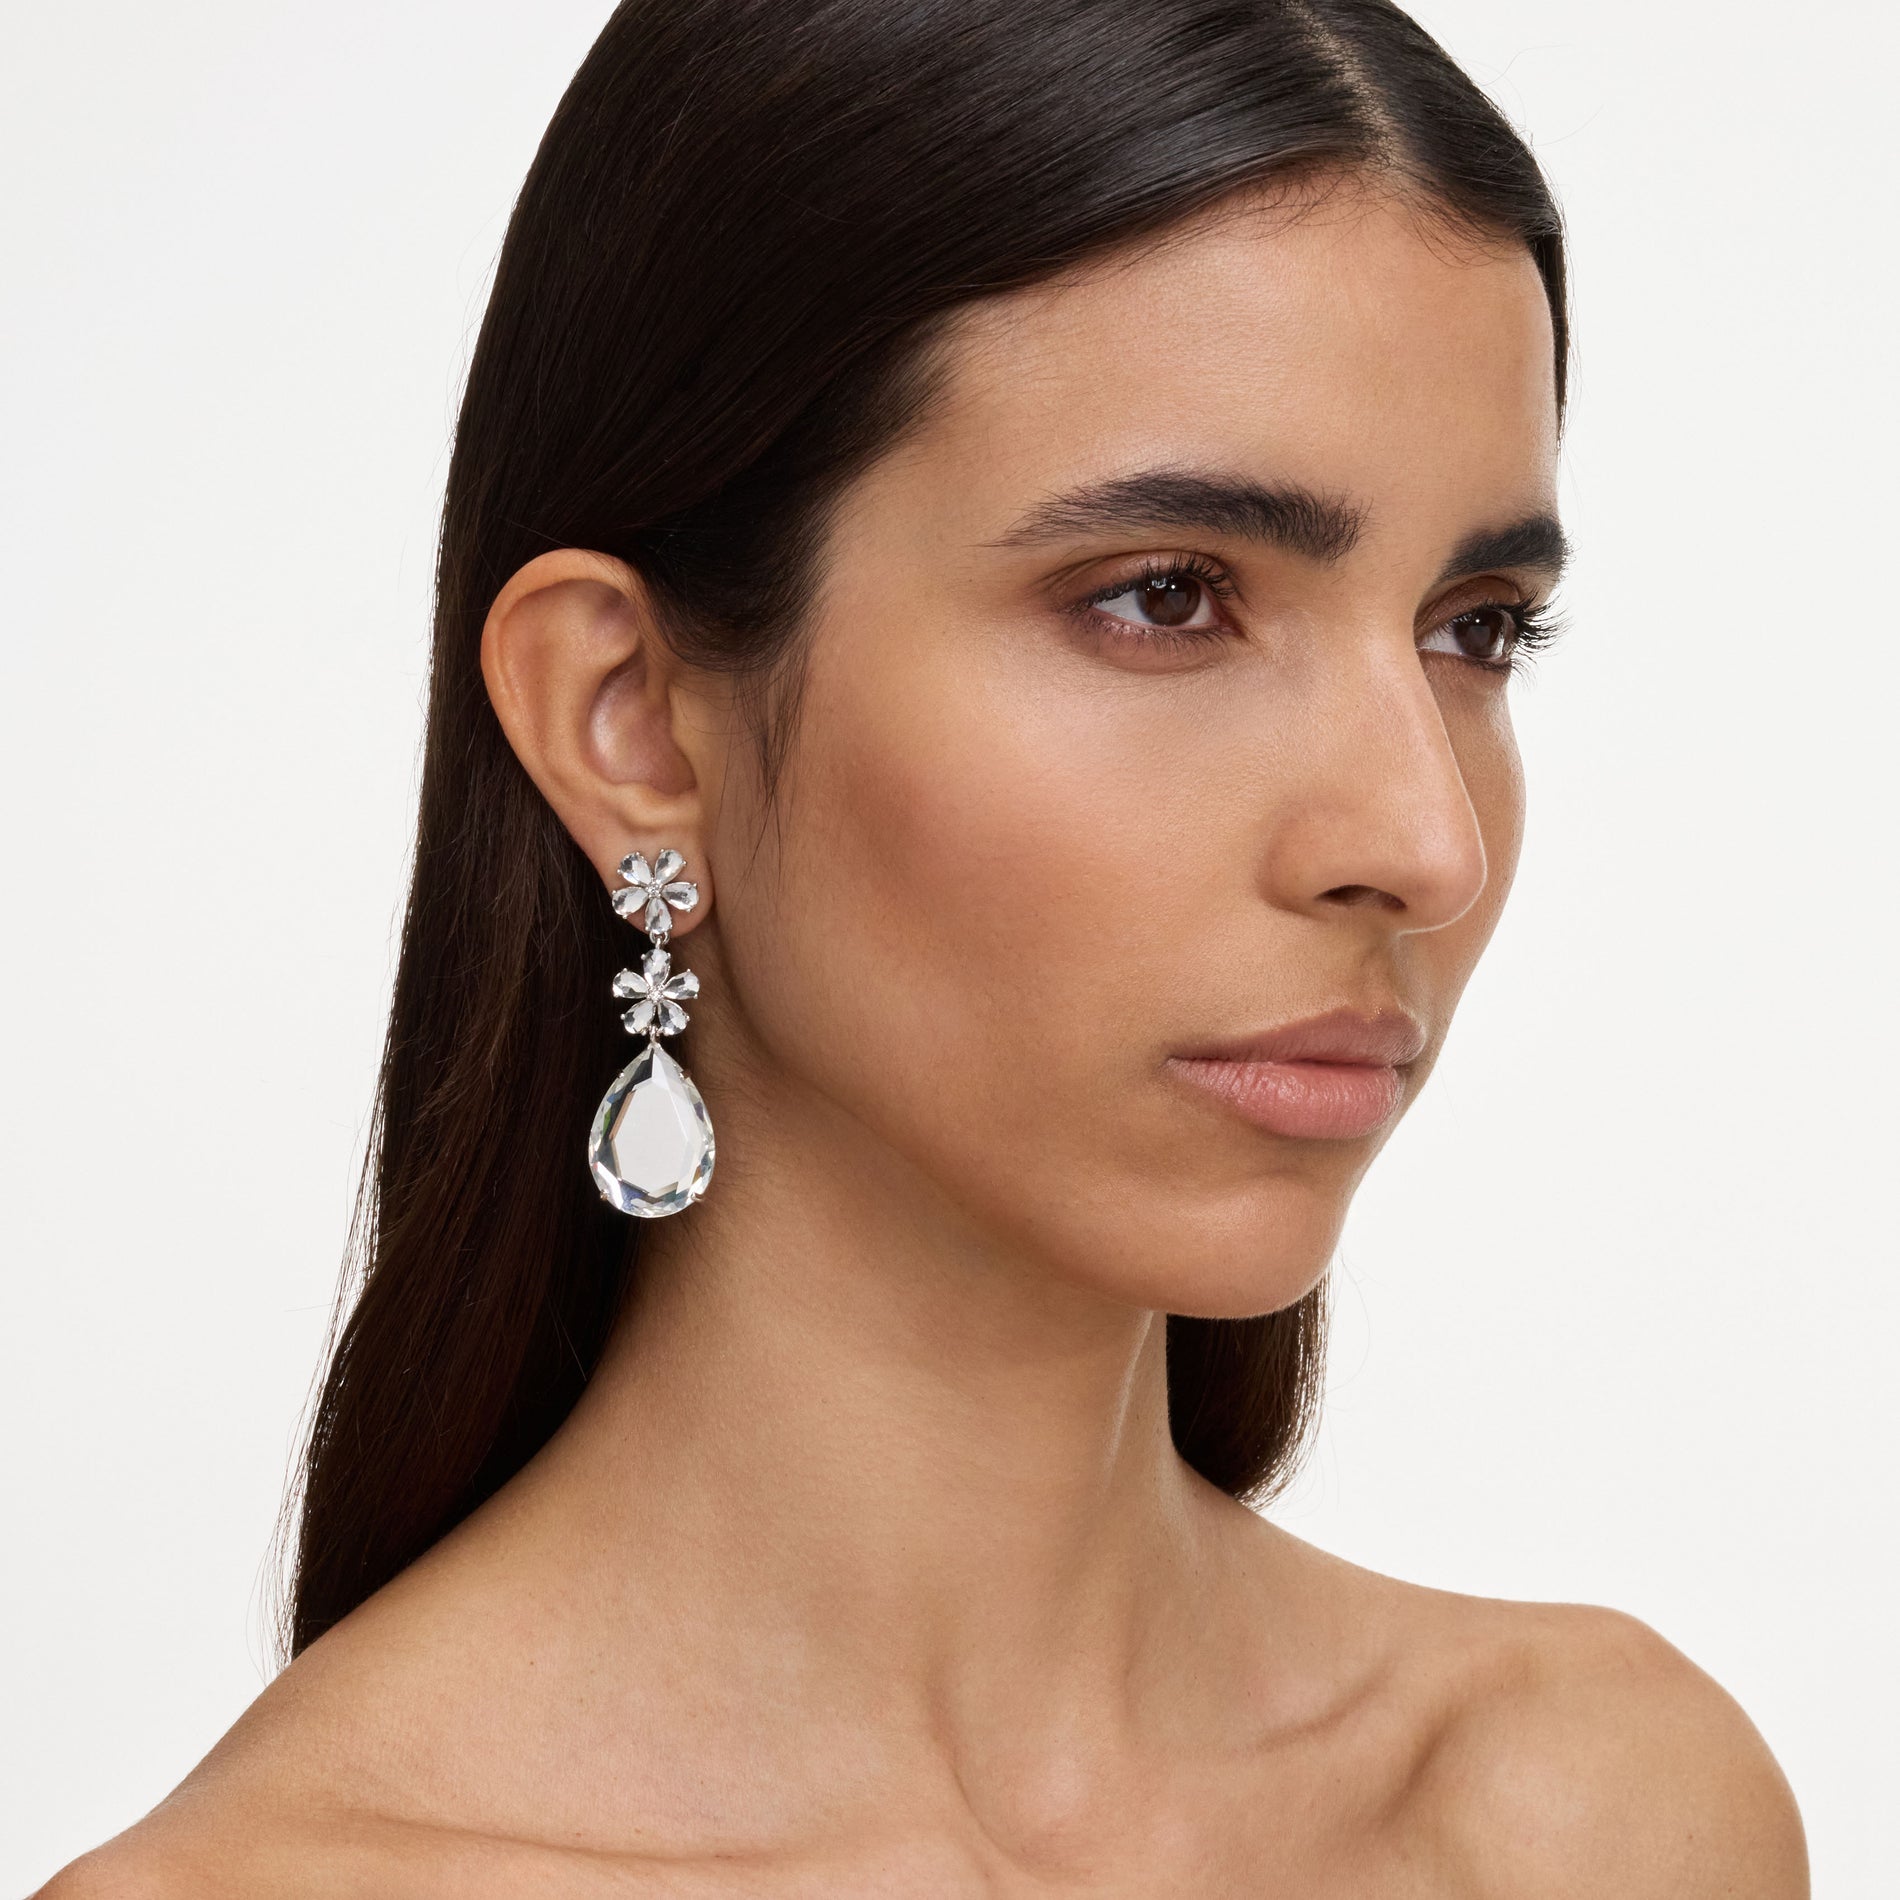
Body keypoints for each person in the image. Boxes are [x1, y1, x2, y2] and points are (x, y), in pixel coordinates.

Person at [45, 0, 1808, 1891]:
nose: (1422, 843)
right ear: (630, 718)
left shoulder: (1598, 1821)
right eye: (1165, 599)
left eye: (1474, 628)